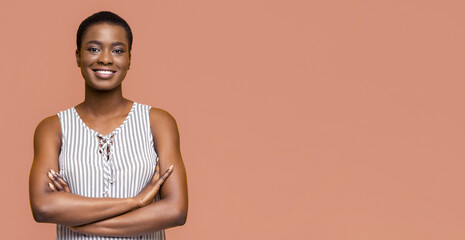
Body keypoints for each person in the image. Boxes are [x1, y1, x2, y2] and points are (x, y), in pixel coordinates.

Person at [29, 11, 188, 239]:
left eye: (117, 50)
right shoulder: (53, 128)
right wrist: (136, 202)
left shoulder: (158, 122)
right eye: (94, 49)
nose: (105, 59)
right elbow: (43, 207)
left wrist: (78, 221)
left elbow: (175, 210)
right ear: (77, 56)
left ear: (129, 59)